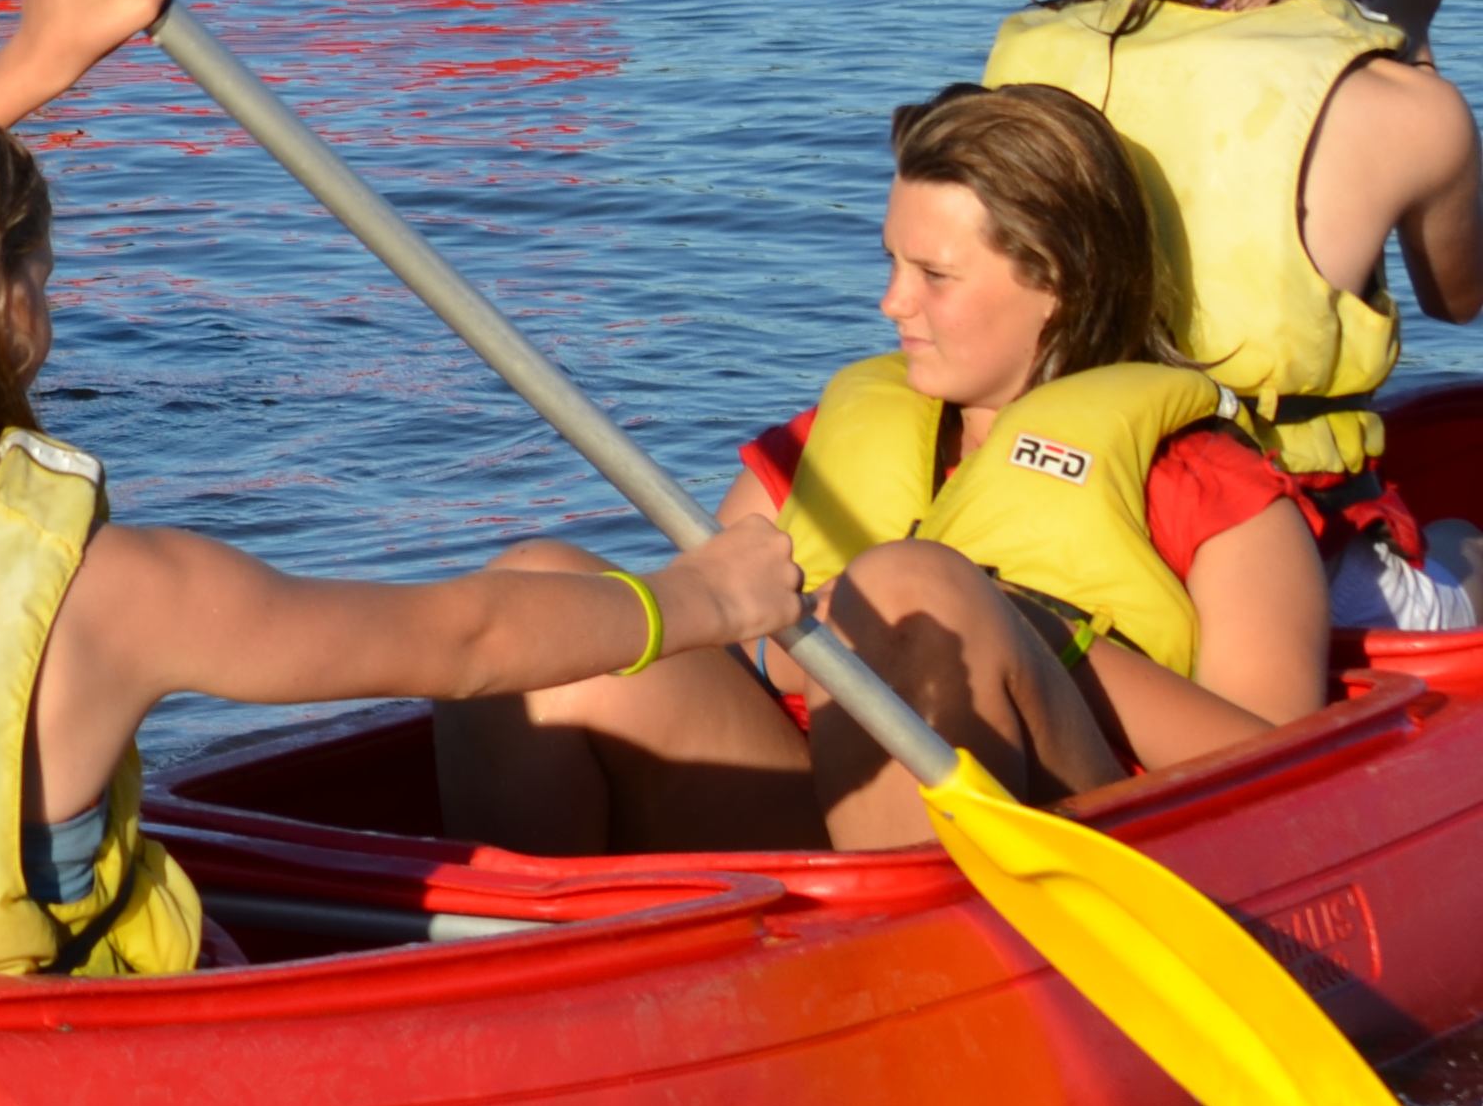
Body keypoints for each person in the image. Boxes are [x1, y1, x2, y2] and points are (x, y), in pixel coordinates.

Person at [0, 0, 799, 979]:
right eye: (40, 275)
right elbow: (465, 640)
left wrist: (28, 62)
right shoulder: (105, 592)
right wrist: (700, 599)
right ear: (4, 304)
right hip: (22, 1050)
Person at [434, 82, 1328, 863]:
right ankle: (529, 963)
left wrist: (1030, 629)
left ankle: (921, 963)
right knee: (539, 591)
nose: (892, 302)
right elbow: (708, 629)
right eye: (892, 263)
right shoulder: (820, 447)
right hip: (808, 827)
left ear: (1062, 279)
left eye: (934, 274)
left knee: (909, 588)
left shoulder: (1210, 489)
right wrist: (788, 647)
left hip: (1066, 851)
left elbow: (1289, 787)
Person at [984, 0, 1482, 630]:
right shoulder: (1403, 107)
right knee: (1468, 541)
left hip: (1071, 512)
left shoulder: (1024, 54)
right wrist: (1409, 43)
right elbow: (1459, 295)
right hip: (1288, 556)